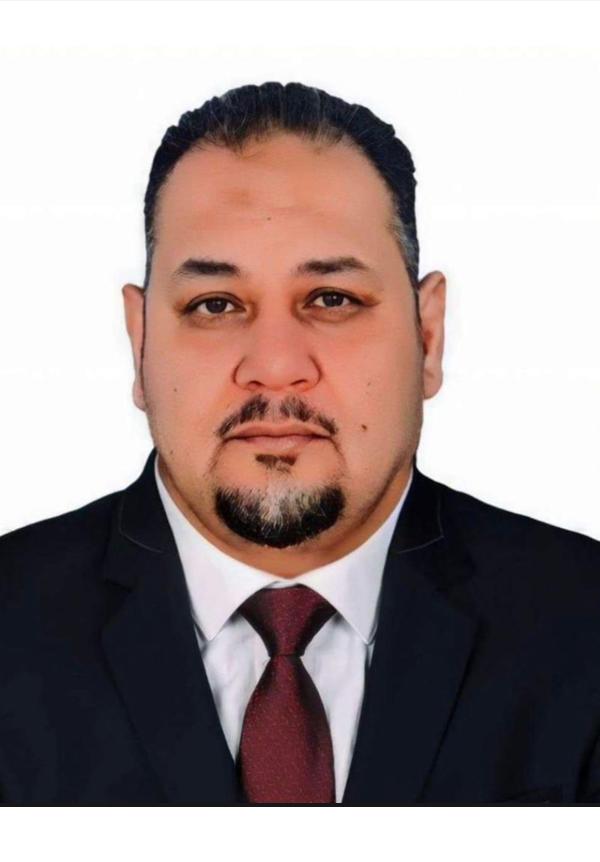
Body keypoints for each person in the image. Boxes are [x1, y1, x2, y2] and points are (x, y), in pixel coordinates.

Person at [1, 81, 599, 806]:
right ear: (141, 341)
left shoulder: (583, 627)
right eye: (215, 305)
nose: (276, 365)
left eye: (332, 300)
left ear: (428, 335)